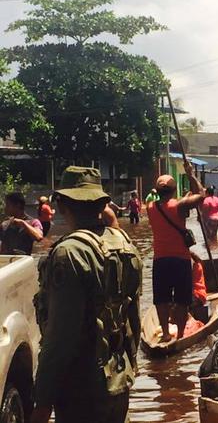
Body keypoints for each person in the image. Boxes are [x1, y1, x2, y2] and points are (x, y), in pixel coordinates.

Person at [30, 166, 142, 423]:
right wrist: (131, 368)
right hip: (118, 380)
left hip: (81, 389)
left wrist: (43, 401)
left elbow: (60, 337)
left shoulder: (68, 253)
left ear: (62, 204)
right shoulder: (124, 244)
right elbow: (133, 319)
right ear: (102, 204)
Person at [147, 162, 205, 342]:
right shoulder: (179, 206)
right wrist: (191, 173)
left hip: (160, 260)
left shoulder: (150, 207)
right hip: (180, 259)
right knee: (181, 300)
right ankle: (180, 335)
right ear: (173, 190)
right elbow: (201, 195)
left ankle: (165, 333)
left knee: (162, 299)